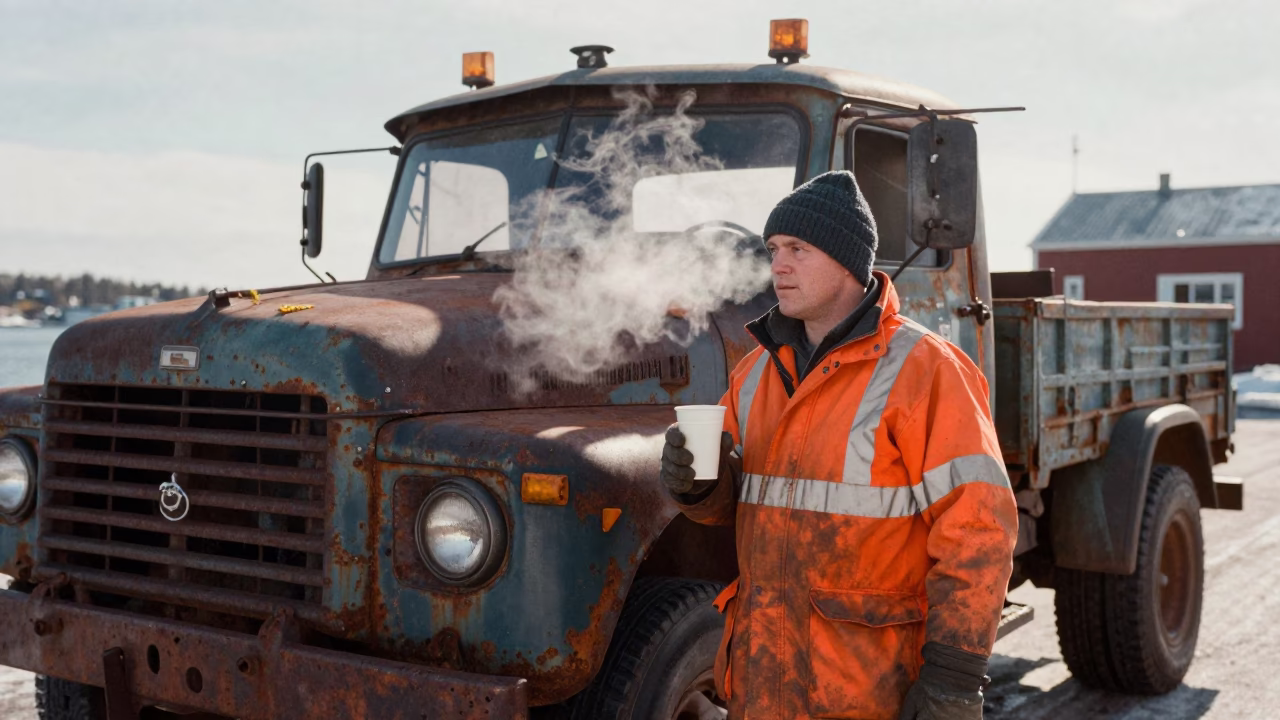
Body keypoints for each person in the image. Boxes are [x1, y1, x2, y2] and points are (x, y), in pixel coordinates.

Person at [661, 171, 1018, 720]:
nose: (778, 266)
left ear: (847, 261)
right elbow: (737, 506)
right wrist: (700, 487)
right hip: (763, 686)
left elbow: (978, 533)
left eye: (797, 249)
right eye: (773, 249)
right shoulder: (756, 373)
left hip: (866, 691)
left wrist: (953, 677)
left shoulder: (926, 370)